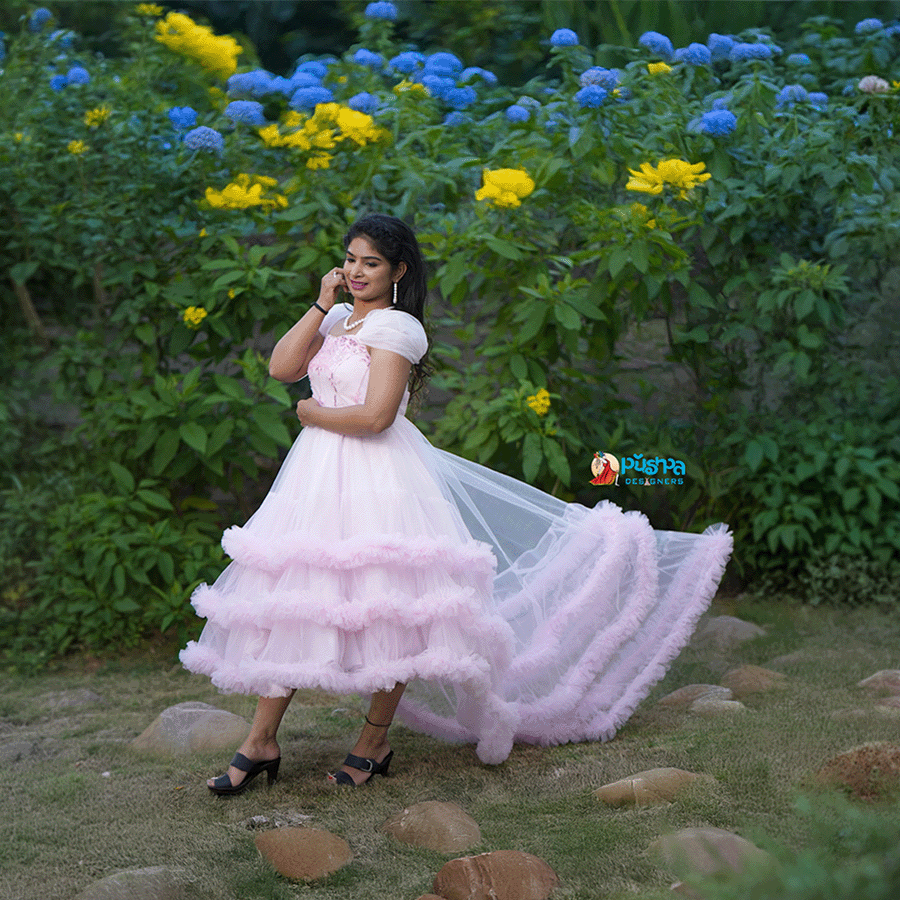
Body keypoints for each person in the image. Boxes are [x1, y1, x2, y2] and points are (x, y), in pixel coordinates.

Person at [180, 214, 733, 794]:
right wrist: (322, 304)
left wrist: (311, 414)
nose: (356, 271)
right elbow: (281, 368)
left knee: (391, 604)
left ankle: (373, 739)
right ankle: (261, 741)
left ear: (399, 271)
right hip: (316, 478)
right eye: (351, 259)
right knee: (292, 596)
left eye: (371, 262)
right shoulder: (339, 317)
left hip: (377, 476)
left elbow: (375, 416)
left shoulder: (397, 329)